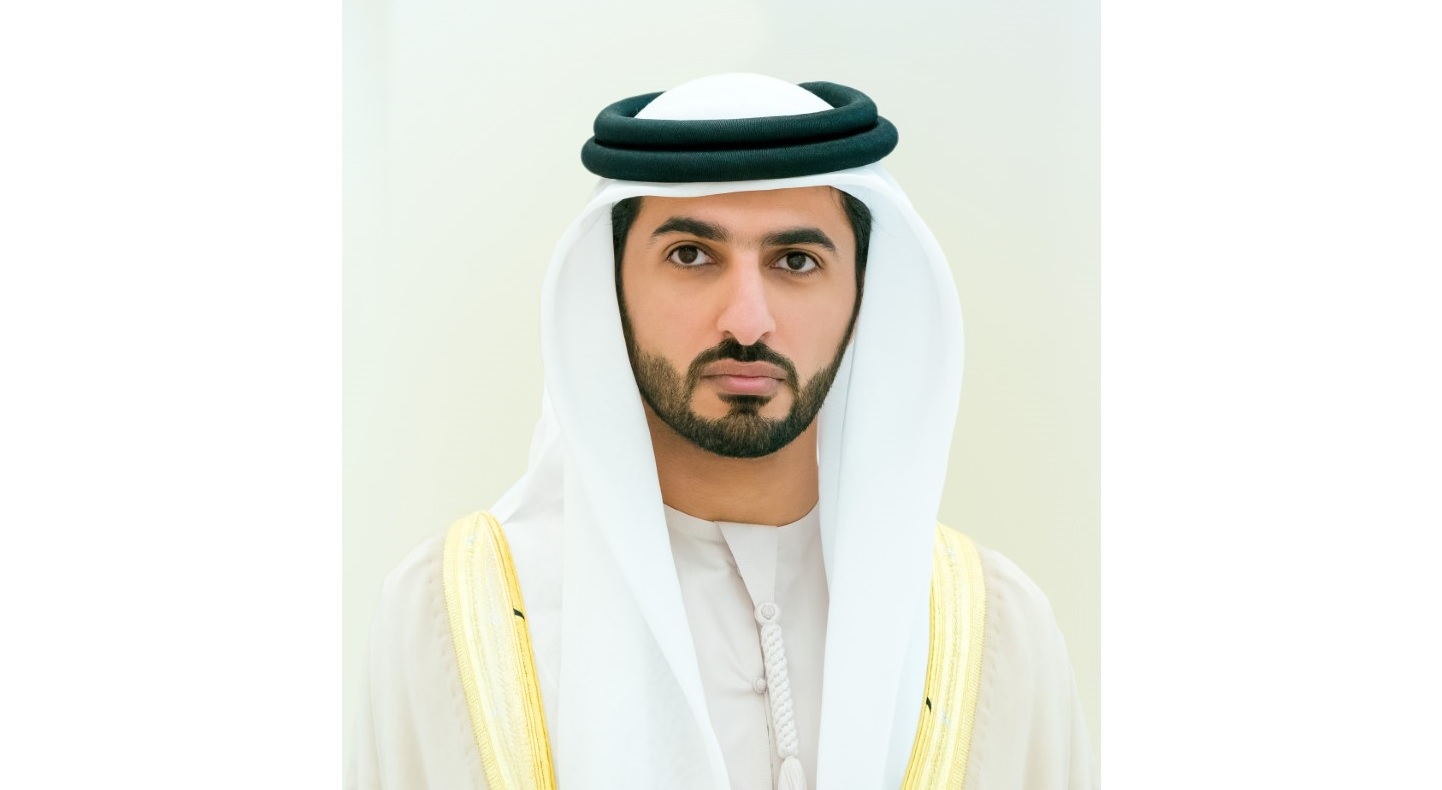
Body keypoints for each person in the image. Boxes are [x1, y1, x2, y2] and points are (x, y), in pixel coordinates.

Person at [347, 73, 1095, 790]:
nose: (746, 321)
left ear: (861, 296)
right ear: (610, 290)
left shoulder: (997, 631)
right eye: (691, 256)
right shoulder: (453, 615)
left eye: (796, 261)